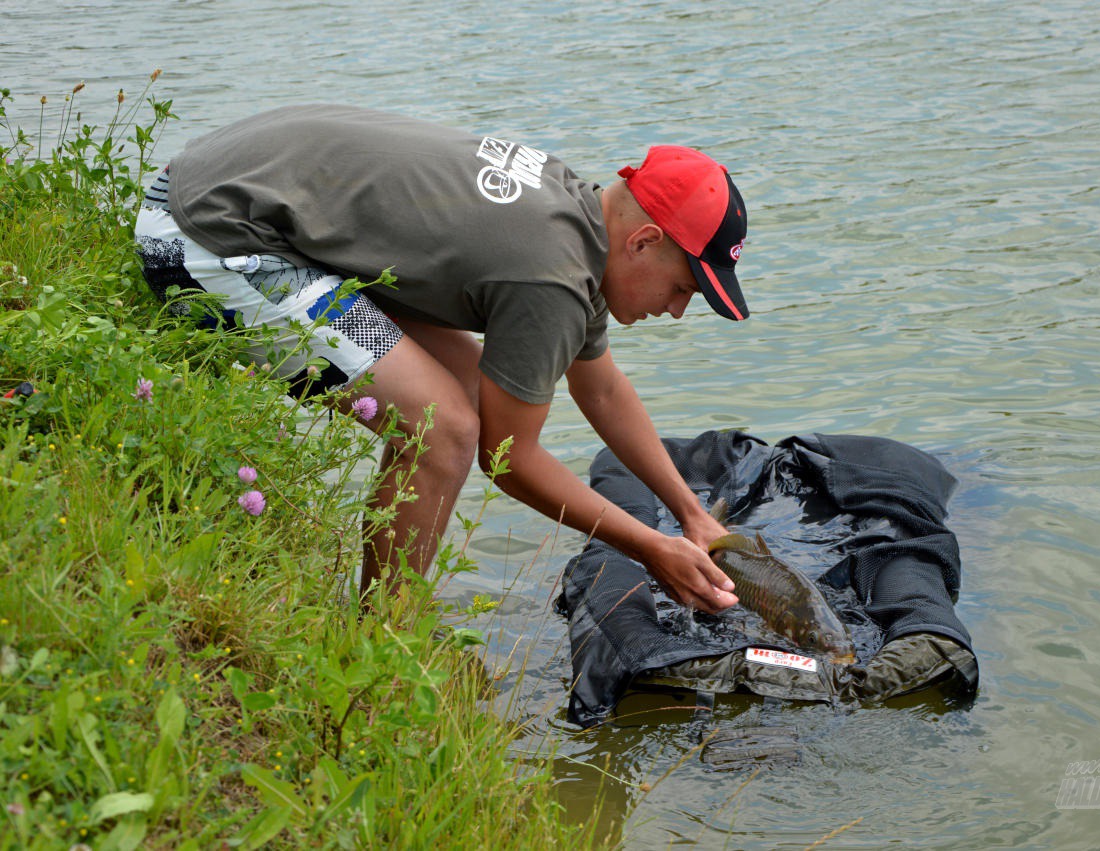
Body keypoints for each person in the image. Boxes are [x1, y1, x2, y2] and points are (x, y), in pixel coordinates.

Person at [134, 104, 749, 613]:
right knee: (444, 430)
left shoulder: (577, 221)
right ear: (644, 241)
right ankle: (383, 643)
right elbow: (509, 463)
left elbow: (603, 391)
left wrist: (691, 515)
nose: (675, 311)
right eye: (683, 290)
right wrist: (650, 548)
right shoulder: (551, 276)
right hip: (203, 237)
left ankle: (386, 619)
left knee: (465, 402)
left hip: (222, 185)